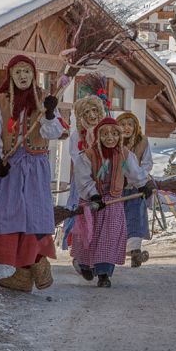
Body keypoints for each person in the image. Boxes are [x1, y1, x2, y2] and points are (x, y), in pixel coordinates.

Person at [0, 55, 68, 292]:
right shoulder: (1, 102)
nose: (22, 76)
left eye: (27, 72)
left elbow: (55, 132)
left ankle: (39, 261)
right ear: (10, 75)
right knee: (8, 215)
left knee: (32, 215)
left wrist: (50, 113)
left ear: (34, 74)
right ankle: (22, 275)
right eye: (18, 72)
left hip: (35, 167)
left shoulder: (44, 100)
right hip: (10, 167)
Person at [70, 118, 130, 288]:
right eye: (105, 134)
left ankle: (104, 274)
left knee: (109, 239)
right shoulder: (88, 155)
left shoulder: (124, 154)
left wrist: (144, 184)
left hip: (113, 203)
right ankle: (84, 265)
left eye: (114, 134)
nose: (110, 137)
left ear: (119, 136)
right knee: (89, 237)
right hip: (93, 204)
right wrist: (94, 195)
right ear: (98, 136)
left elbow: (134, 172)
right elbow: (82, 178)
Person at [64, 88, 107, 262]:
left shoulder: (107, 132)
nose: (91, 115)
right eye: (87, 112)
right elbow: (76, 155)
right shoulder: (77, 136)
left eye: (95, 110)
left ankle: (99, 258)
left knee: (101, 219)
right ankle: (81, 258)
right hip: (83, 181)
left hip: (103, 180)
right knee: (83, 218)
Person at [117, 112, 155, 267]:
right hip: (117, 187)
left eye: (130, 124)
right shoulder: (112, 140)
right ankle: (114, 251)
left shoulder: (142, 142)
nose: (127, 128)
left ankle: (135, 253)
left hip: (135, 187)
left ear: (135, 127)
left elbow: (147, 163)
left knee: (135, 217)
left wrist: (141, 178)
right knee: (117, 218)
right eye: (123, 124)